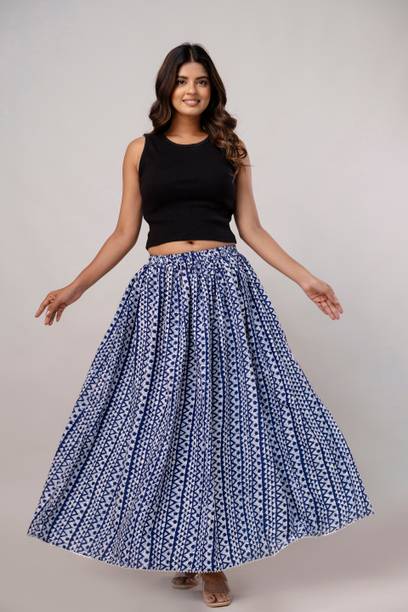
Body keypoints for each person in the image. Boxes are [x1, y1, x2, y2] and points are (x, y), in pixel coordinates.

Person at [26, 43, 375, 608]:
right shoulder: (139, 150)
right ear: (167, 87)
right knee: (160, 422)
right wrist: (75, 287)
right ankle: (182, 546)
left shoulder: (230, 148)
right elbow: (124, 233)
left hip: (224, 292)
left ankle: (213, 561)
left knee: (220, 421)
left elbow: (252, 229)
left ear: (213, 90)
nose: (192, 90)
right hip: (162, 297)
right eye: (183, 80)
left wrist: (305, 278)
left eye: (202, 81)